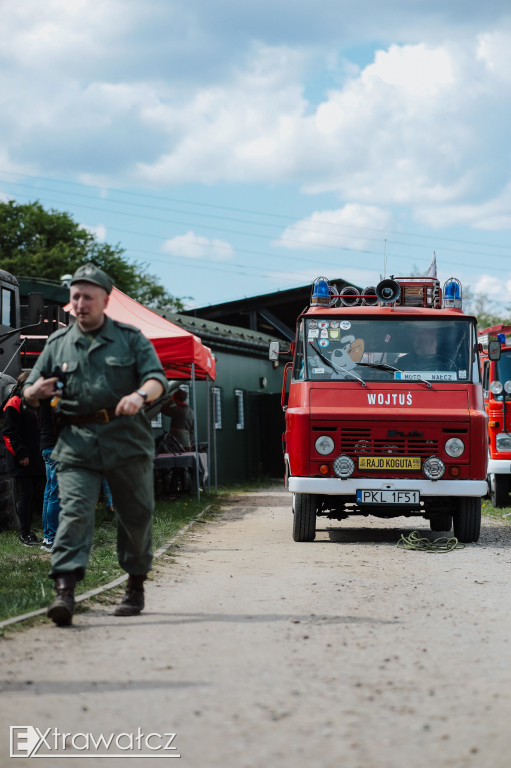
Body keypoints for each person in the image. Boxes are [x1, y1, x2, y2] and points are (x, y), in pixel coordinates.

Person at [23, 263, 167, 626]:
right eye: (75, 297)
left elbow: (157, 380)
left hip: (126, 439)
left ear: (105, 300)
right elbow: (28, 388)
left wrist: (139, 395)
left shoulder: (130, 338)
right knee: (74, 512)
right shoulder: (58, 344)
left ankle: (135, 585)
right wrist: (34, 392)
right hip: (76, 442)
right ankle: (65, 591)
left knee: (135, 515)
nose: (80, 303)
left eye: (88, 296)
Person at [2, 371, 46, 546]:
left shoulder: (34, 404)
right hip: (23, 460)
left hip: (36, 458)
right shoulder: (14, 402)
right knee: (25, 496)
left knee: (38, 494)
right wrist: (21, 454)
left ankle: (37, 532)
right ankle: (24, 533)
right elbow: (9, 433)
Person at [39, 398, 61, 552]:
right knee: (55, 494)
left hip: (47, 448)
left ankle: (47, 538)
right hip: (56, 449)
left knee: (49, 494)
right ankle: (53, 540)